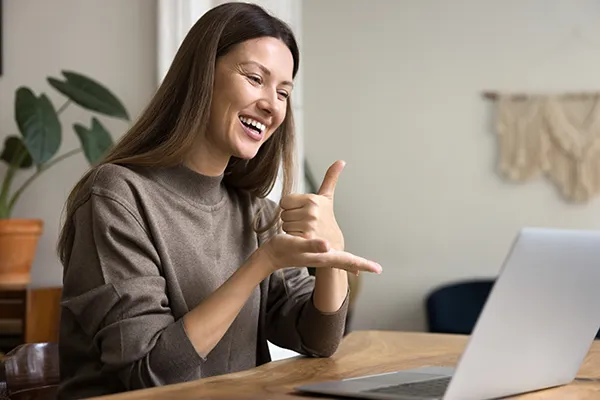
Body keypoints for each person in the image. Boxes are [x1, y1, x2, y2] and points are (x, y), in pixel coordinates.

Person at [55, 2, 382, 399]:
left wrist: (329, 255)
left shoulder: (252, 210)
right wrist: (261, 264)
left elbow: (318, 339)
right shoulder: (117, 196)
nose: (272, 104)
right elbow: (149, 372)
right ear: (201, 76)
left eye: (283, 92)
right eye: (255, 78)